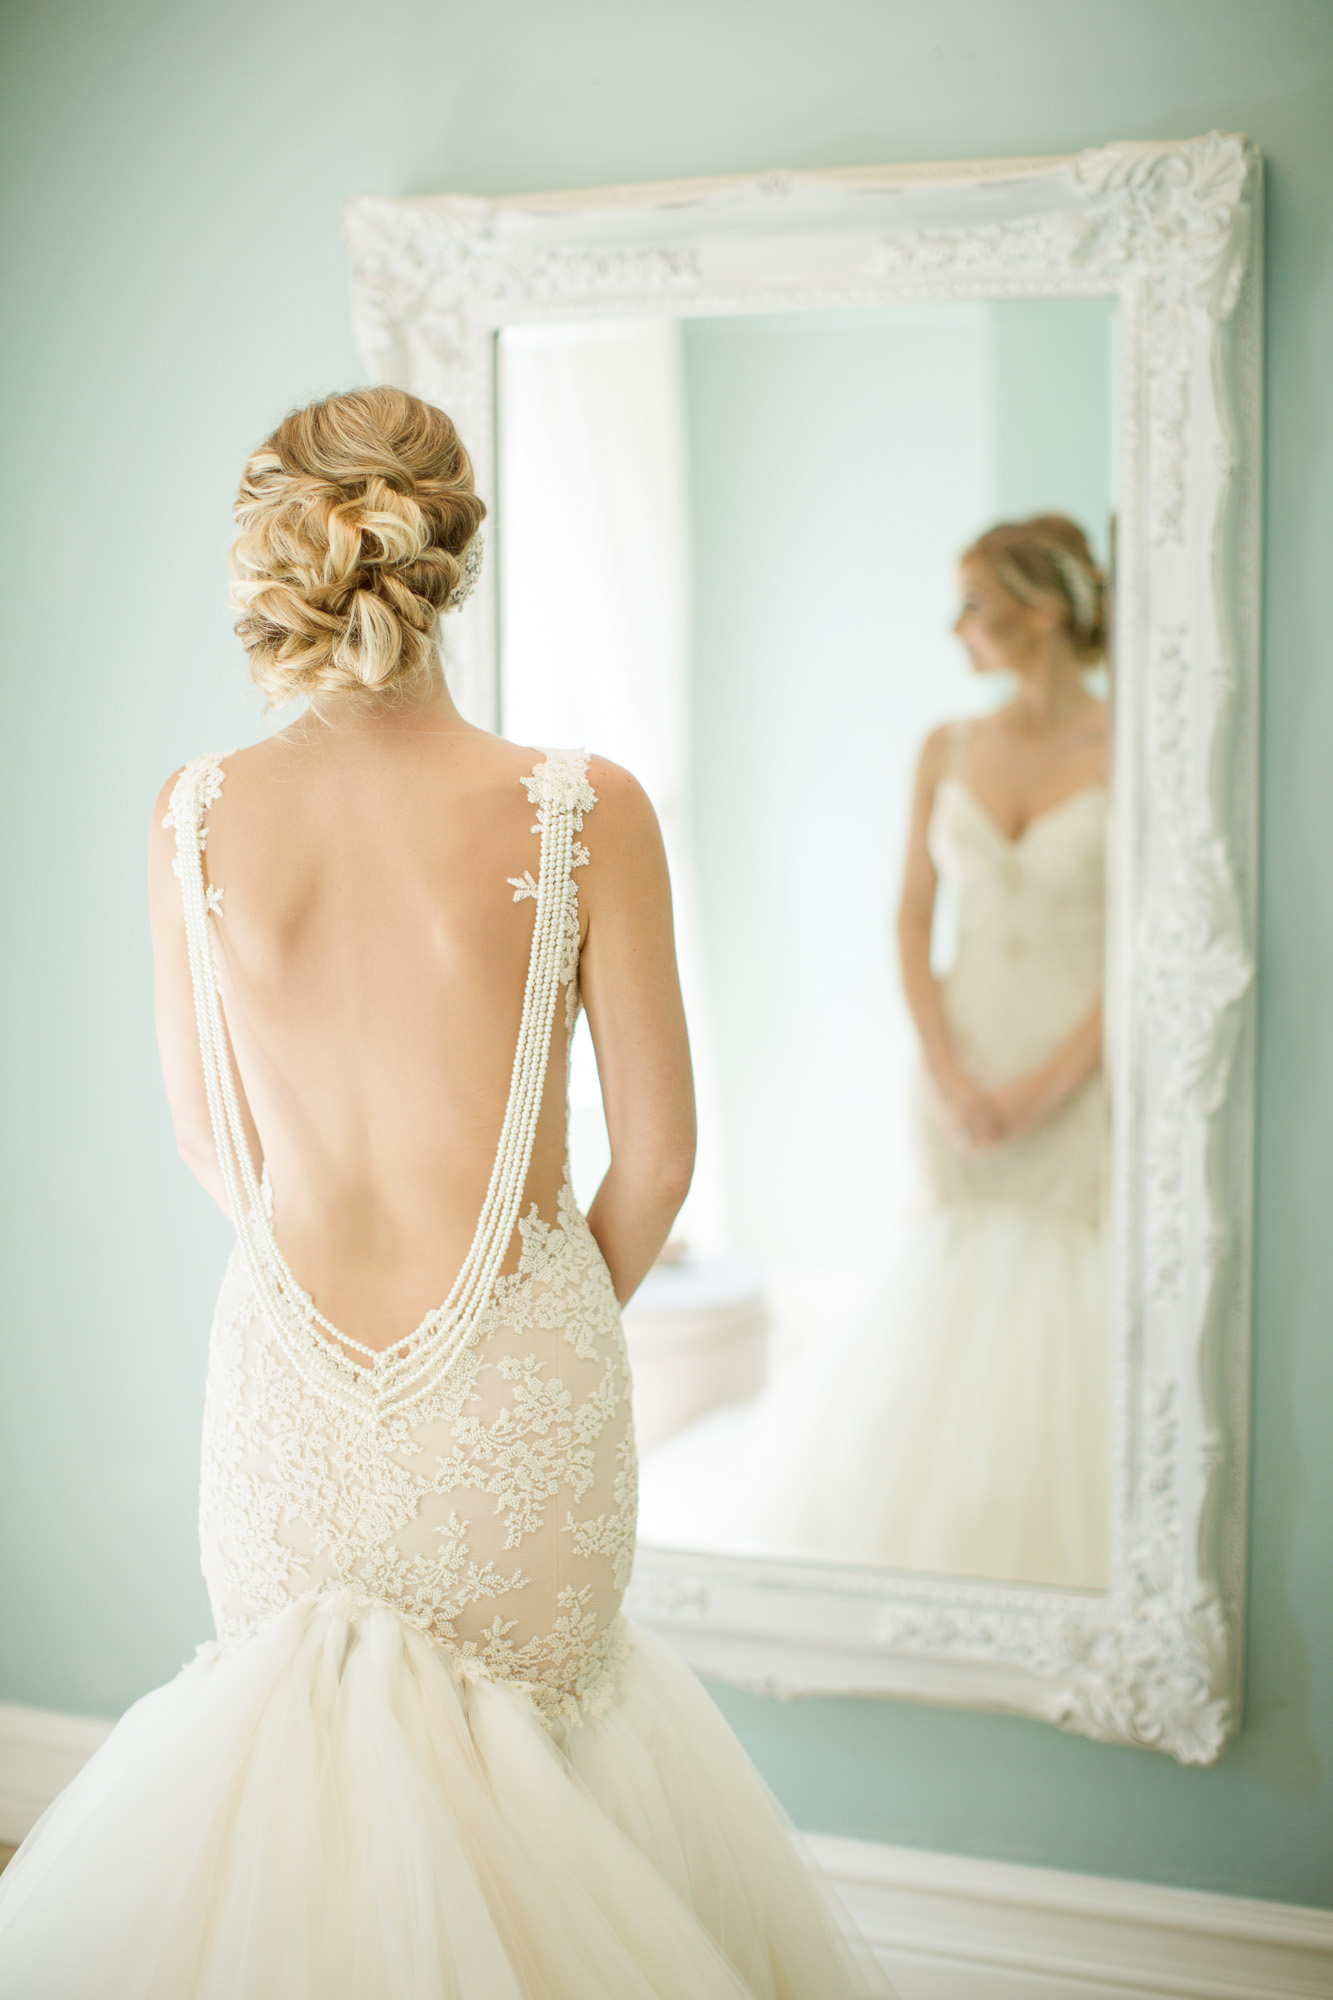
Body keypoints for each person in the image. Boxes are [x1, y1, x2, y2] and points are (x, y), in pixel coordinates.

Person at [0, 387, 887, 1998]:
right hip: (518, 1400)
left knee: (294, 1817)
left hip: (281, 1393)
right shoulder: (580, 804)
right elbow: (664, 1157)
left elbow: (213, 1143)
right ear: (451, 552)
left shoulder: (192, 811)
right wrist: (528, 1321)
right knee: (553, 1807)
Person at [640, 515, 1110, 1590]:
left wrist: (1048, 1084)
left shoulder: (1130, 749)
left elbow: (1139, 951)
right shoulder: (946, 747)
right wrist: (948, 1072)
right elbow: (908, 920)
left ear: (1040, 610)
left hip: (1076, 1073)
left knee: (1063, 1293)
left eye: (975, 605)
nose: (957, 630)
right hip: (960, 1056)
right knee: (950, 1270)